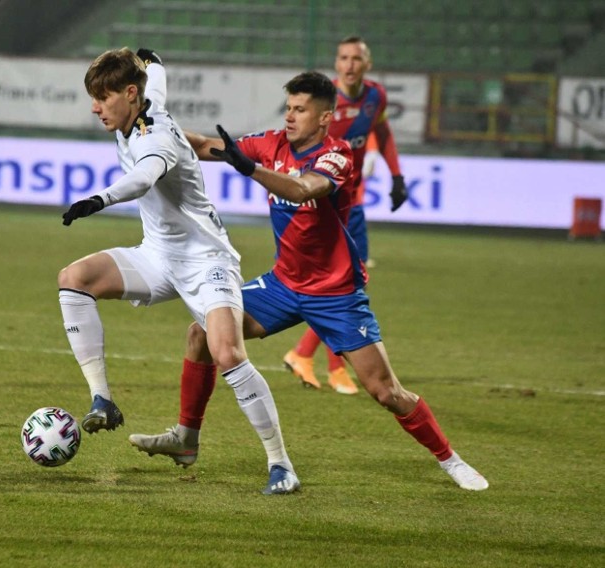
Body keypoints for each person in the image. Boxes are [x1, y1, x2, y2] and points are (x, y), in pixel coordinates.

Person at [129, 71, 488, 491]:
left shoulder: (337, 155)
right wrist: (151, 124)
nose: (291, 117)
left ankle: (451, 460)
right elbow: (209, 146)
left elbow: (303, 190)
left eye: (300, 110)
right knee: (201, 334)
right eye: (288, 108)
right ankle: (187, 439)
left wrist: (252, 170)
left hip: (336, 294)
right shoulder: (271, 143)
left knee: (386, 391)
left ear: (324, 117)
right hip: (283, 285)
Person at [58, 48, 299, 495]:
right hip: (157, 255)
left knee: (226, 353)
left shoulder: (157, 138)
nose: (95, 107)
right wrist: (153, 60)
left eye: (102, 97)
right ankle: (102, 400)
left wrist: (98, 200)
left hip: (206, 261)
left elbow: (144, 178)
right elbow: (157, 82)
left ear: (130, 94)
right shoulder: (142, 104)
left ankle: (280, 463)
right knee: (74, 278)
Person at [283, 36, 408, 395]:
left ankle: (319, 360)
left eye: (356, 58)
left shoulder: (375, 97)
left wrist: (397, 176)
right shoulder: (324, 105)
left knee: (348, 283)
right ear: (336, 64)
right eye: (343, 58)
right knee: (340, 285)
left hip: (351, 203)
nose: (349, 64)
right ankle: (315, 359)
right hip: (323, 206)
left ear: (367, 64)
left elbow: (381, 132)